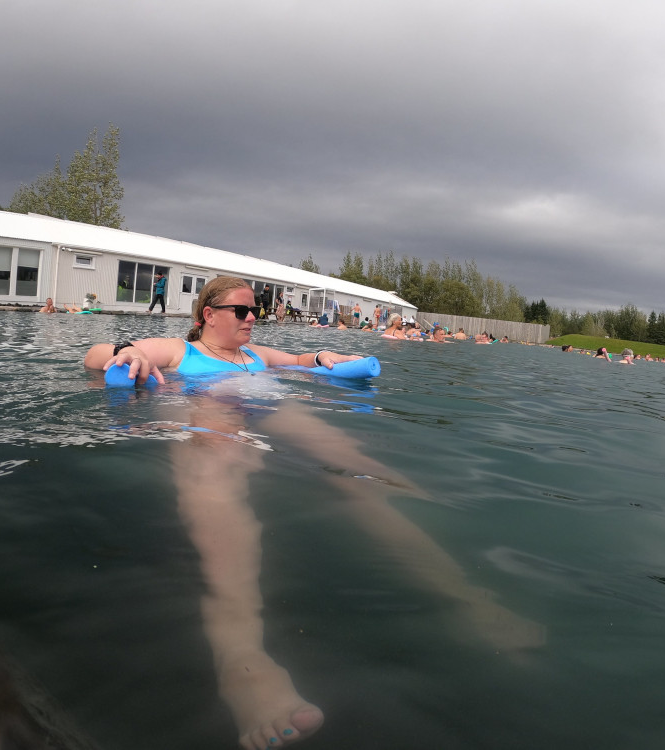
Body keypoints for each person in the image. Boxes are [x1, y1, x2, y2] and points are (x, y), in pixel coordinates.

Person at [84, 277, 544, 748]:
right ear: (208, 314)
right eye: (242, 311)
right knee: (218, 482)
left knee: (367, 475)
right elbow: (96, 355)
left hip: (267, 404)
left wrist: (323, 358)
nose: (252, 317)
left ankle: (464, 596)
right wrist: (128, 353)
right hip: (208, 407)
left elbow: (302, 361)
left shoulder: (255, 355)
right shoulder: (180, 351)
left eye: (255, 309)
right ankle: (241, 661)